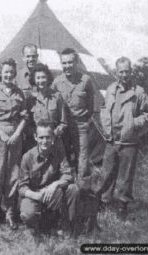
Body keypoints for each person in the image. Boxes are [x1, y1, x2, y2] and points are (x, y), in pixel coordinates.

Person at [98, 57, 148, 217]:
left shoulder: (138, 92)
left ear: (131, 71)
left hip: (129, 139)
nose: (124, 74)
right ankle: (104, 200)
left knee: (126, 174)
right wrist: (105, 122)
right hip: (111, 139)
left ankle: (123, 204)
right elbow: (104, 107)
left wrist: (133, 123)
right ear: (116, 72)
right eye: (121, 71)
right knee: (107, 171)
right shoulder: (110, 89)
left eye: (127, 71)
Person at [0, 58, 27, 232]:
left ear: (15, 73)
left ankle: (10, 214)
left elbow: (24, 116)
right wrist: (1, 134)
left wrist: (16, 134)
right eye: (5, 72)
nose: (8, 75)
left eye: (11, 72)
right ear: (0, 73)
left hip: (15, 138)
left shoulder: (19, 93)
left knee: (13, 176)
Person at [18, 119, 80, 233]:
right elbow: (22, 187)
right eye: (41, 137)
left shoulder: (59, 152)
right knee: (28, 214)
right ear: (35, 137)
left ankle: (67, 228)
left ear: (53, 138)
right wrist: (36, 196)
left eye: (48, 137)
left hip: (53, 194)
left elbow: (68, 175)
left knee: (73, 189)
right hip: (35, 195)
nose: (44, 141)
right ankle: (42, 227)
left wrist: (55, 184)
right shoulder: (27, 157)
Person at [53, 48, 94, 186]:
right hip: (64, 126)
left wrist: (84, 121)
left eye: (70, 62)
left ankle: (84, 194)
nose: (67, 66)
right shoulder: (57, 82)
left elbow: (90, 105)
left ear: (76, 62)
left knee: (82, 161)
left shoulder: (86, 80)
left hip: (80, 126)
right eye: (64, 63)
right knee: (63, 159)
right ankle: (66, 191)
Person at [28, 63, 67, 148]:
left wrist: (57, 131)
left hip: (54, 140)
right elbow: (29, 123)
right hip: (37, 141)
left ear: (48, 78)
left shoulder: (57, 97)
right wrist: (36, 134)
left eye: (43, 77)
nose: (41, 80)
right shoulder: (31, 99)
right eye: (38, 78)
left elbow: (63, 122)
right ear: (34, 80)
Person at [16, 43, 39, 153]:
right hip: (23, 124)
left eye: (33, 56)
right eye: (28, 56)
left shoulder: (43, 75)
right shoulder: (17, 76)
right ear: (23, 58)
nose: (31, 59)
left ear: (37, 57)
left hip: (39, 122)